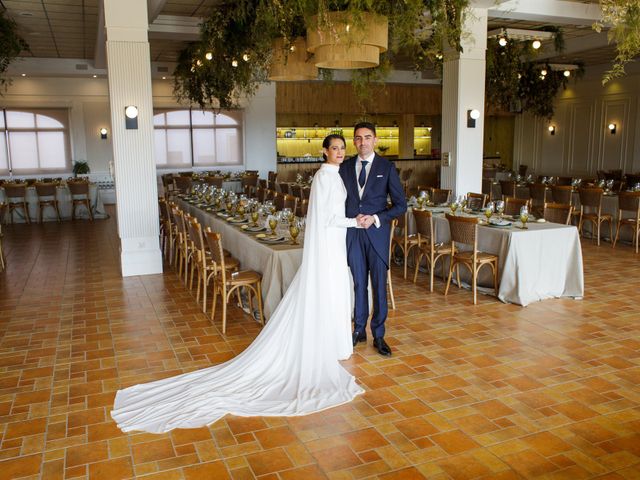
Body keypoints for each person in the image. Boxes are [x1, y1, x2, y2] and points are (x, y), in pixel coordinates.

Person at [111, 135, 366, 433]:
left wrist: (351, 220)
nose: (338, 152)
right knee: (330, 290)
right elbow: (325, 219)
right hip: (330, 242)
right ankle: (331, 343)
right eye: (334, 148)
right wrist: (354, 222)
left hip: (335, 244)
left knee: (335, 291)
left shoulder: (335, 175)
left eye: (341, 148)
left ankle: (336, 343)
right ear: (324, 151)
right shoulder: (324, 177)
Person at [339, 122, 407, 357]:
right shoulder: (345, 167)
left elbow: (401, 205)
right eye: (358, 138)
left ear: (375, 140)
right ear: (354, 141)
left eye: (367, 137)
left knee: (379, 286)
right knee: (358, 283)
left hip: (377, 235)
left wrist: (376, 217)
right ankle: (359, 330)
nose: (363, 142)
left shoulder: (386, 167)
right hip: (353, 234)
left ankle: (378, 334)